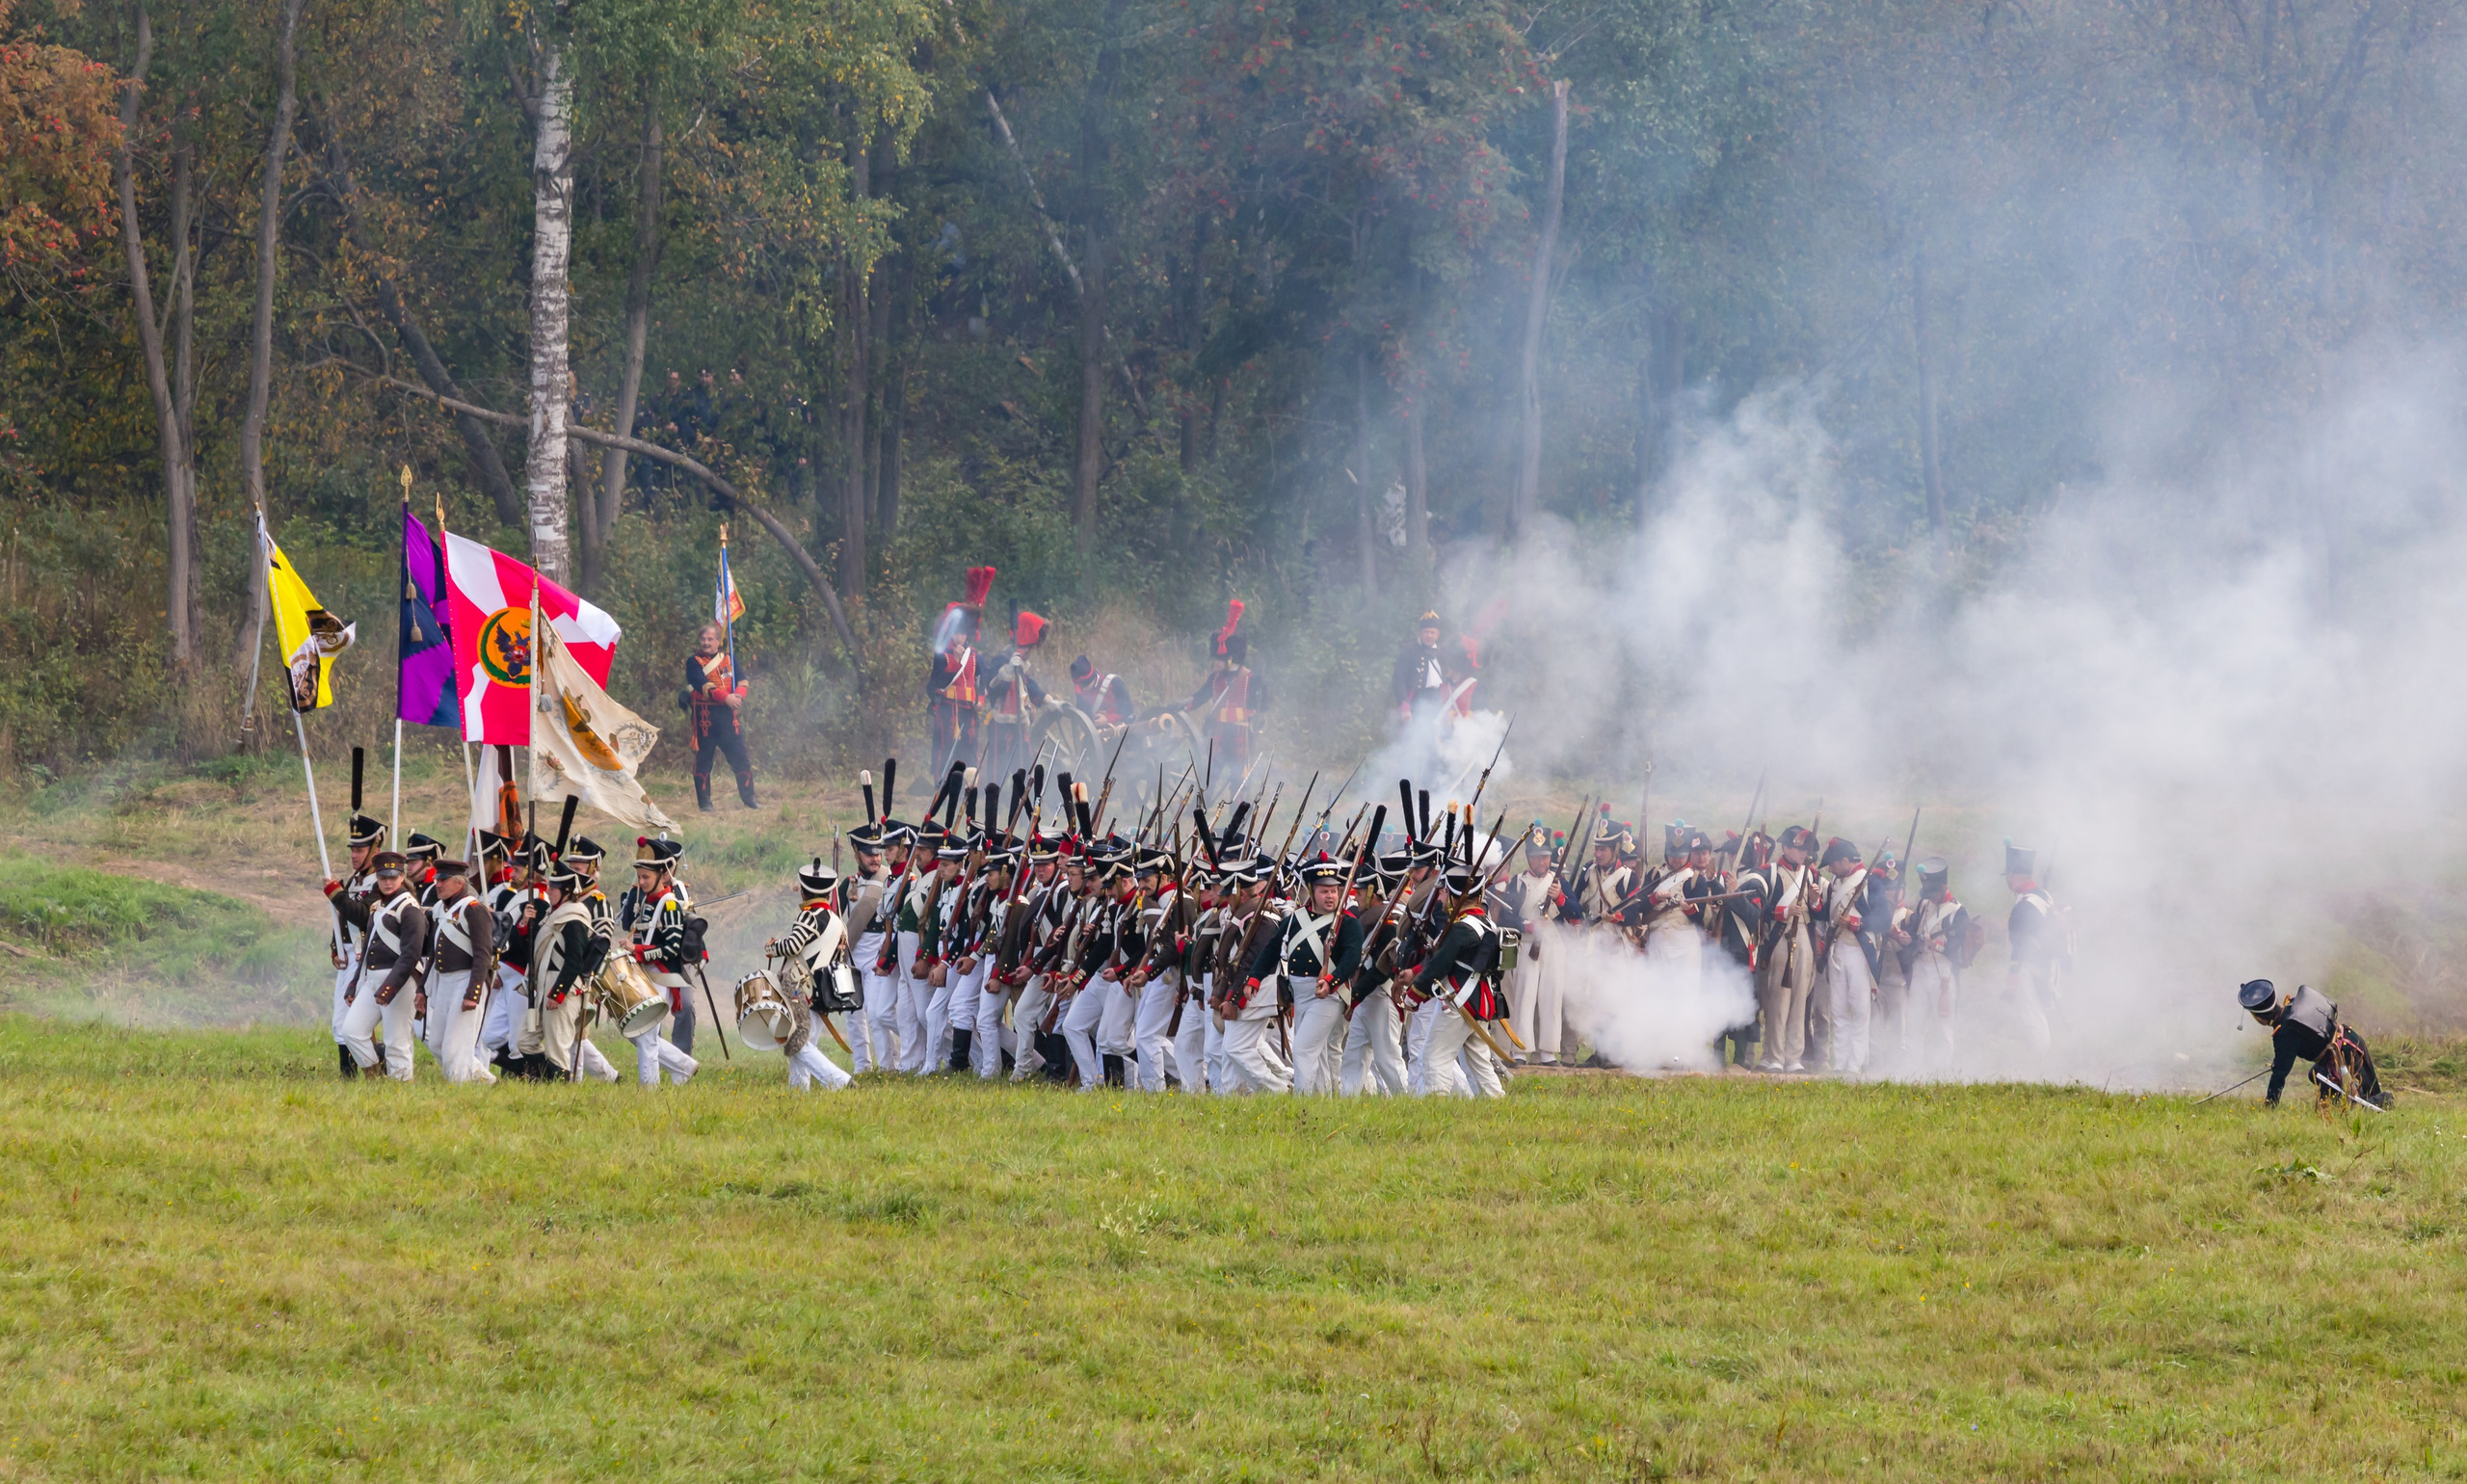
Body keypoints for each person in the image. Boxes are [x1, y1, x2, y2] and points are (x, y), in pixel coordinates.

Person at [1242, 853, 1362, 1094]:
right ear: (1311, 890)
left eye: (1334, 890)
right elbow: (1271, 950)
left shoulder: (1347, 923)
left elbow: (1352, 958)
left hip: (1327, 996)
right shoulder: (1296, 919)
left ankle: (1302, 1103)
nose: (1331, 896)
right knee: (1317, 1054)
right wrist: (1254, 977)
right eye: (1324, 891)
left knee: (1303, 1049)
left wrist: (1332, 981)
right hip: (1299, 993)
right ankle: (1323, 1102)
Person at [1409, 854, 1511, 1100]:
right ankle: (1496, 1101)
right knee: (1479, 1061)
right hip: (1479, 1003)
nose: (1441, 897)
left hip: (1459, 1003)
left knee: (1433, 1057)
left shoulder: (1462, 928)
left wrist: (1415, 994)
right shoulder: (1485, 922)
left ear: (1457, 897)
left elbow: (1438, 966)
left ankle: (1436, 1105)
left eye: (1445, 892)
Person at [763, 858, 857, 1091]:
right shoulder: (837, 921)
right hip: (821, 992)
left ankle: (839, 1081)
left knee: (797, 1043)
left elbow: (793, 946)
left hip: (800, 988)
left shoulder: (809, 916)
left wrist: (773, 947)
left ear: (804, 891)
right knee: (804, 1044)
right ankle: (798, 1091)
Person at [332, 850, 426, 1080]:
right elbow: (366, 953)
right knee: (352, 1031)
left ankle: (402, 1094)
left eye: (392, 877)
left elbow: (411, 954)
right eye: (383, 877)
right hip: (372, 979)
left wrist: (389, 987)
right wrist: (354, 984)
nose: (388, 882)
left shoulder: (410, 908)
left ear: (401, 877)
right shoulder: (377, 907)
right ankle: (375, 1078)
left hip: (400, 981)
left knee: (397, 1042)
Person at [623, 837, 702, 1086]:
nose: (641, 882)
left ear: (661, 874)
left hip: (663, 975)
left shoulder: (669, 904)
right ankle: (683, 1065)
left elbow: (671, 949)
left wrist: (638, 951)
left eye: (646, 877)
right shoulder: (645, 899)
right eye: (639, 876)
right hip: (646, 973)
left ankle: (650, 1090)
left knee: (645, 1034)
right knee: (638, 1031)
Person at [2237, 980, 2388, 1108]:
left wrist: (2270, 1105)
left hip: (2346, 1051)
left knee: (2374, 1101)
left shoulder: (2284, 1033)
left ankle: (2380, 1101)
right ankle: (2342, 1107)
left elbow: (2280, 1074)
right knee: (2316, 1075)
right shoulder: (2291, 1005)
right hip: (2349, 1038)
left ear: (2259, 1017)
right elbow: (2282, 1062)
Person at [419, 859, 497, 1083]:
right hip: (444, 981)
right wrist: (422, 989)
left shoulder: (474, 910)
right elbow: (432, 954)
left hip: (466, 981)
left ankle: (460, 1093)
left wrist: (473, 993)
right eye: (437, 880)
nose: (438, 885)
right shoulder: (439, 910)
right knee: (436, 1043)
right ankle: (486, 1082)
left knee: (455, 1047)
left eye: (443, 880)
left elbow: (483, 954)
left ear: (459, 883)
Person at [324, 812, 387, 1077]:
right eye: (353, 849)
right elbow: (343, 919)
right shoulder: (355, 880)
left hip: (366, 956)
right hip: (350, 955)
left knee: (344, 1022)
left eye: (360, 849)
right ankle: (376, 1064)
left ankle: (351, 1075)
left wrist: (336, 894)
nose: (354, 854)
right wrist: (335, 945)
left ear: (375, 848)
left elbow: (363, 917)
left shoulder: (382, 883)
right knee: (346, 1021)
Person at [1895, 857, 1973, 1068]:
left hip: (1943, 973)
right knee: (1914, 1023)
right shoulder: (1923, 905)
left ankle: (1942, 1071)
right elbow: (1915, 932)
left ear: (1944, 887)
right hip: (1921, 969)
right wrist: (1907, 938)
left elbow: (1955, 947)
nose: (1931, 897)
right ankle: (1911, 1068)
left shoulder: (1958, 912)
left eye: (1933, 892)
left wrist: (1936, 944)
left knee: (1943, 1026)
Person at [836, 817, 900, 1073]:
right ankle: (862, 1066)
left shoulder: (890, 880)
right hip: (852, 956)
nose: (876, 859)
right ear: (857, 854)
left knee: (875, 1014)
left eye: (878, 853)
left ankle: (888, 1065)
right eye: (869, 854)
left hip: (877, 954)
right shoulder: (848, 884)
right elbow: (832, 918)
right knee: (854, 1015)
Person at [1496, 825, 1564, 1064]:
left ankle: (1548, 1051)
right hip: (1527, 944)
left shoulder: (1558, 881)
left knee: (1551, 997)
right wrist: (1525, 926)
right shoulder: (1517, 882)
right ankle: (1519, 1050)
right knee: (1524, 997)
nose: (1542, 862)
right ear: (1529, 859)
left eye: (1545, 857)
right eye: (1537, 858)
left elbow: (1576, 914)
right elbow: (1506, 916)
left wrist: (1561, 898)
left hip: (1552, 946)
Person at [1755, 826, 1820, 1073]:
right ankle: (1774, 1056)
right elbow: (1760, 907)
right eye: (1800, 849)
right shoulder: (1769, 873)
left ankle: (1794, 1058)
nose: (1804, 854)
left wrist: (1814, 899)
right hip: (1780, 936)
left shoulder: (1810, 874)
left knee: (1799, 1000)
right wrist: (1783, 912)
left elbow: (1820, 912)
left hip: (1804, 937)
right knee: (1778, 1002)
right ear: (1787, 848)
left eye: (1806, 849)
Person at [1815, 837, 1881, 1074]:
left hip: (1858, 950)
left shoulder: (1869, 882)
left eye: (1832, 863)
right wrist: (1815, 902)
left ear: (1844, 860)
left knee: (1860, 1010)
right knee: (1838, 1010)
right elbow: (1825, 914)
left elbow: (1883, 917)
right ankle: (1840, 1063)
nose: (1830, 869)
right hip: (1837, 949)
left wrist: (1855, 922)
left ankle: (1855, 1065)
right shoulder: (1834, 883)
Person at [684, 622, 756, 810]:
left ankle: (749, 800)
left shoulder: (730, 658)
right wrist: (727, 699)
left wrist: (738, 696)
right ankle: (705, 804)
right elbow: (704, 686)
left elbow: (743, 680)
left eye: (710, 639)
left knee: (740, 757)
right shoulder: (693, 662)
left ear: (718, 641)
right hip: (705, 720)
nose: (706, 643)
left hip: (728, 720)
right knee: (704, 760)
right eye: (703, 639)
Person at [928, 567, 994, 774]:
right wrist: (955, 661)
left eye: (963, 634)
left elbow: (984, 681)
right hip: (946, 710)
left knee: (969, 749)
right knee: (944, 749)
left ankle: (969, 784)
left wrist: (981, 700)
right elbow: (935, 684)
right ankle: (941, 783)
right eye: (956, 634)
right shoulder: (942, 656)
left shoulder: (975, 656)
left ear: (968, 635)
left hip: (968, 711)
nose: (959, 638)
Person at [1183, 601, 1261, 772]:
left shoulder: (1251, 678)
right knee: (1210, 775)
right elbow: (1200, 697)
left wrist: (1257, 719)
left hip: (1241, 733)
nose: (1216, 663)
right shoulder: (1215, 678)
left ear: (1230, 658)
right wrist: (1185, 704)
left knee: (1240, 778)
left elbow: (1260, 706)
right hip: (1219, 731)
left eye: (1220, 659)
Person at [2003, 842, 2067, 1050]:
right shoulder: (2043, 896)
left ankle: (2039, 1070)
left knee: (2033, 1020)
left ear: (2013, 875)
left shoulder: (2024, 905)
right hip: (2046, 965)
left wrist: (2013, 974)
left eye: (2008, 874)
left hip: (2030, 966)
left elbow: (2020, 944)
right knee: (2037, 1018)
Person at [981, 611, 1049, 782]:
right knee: (998, 766)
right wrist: (1009, 670)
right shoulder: (1001, 660)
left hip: (1019, 723)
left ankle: (1026, 796)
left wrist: (1046, 700)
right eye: (1029, 647)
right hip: (1000, 722)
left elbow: (1028, 684)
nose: (1030, 652)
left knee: (1026, 763)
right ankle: (995, 797)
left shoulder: (1021, 663)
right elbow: (992, 687)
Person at [1391, 611, 1456, 722]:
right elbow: (1398, 680)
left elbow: (1449, 679)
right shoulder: (1409, 651)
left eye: (1432, 632)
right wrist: (1405, 707)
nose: (1429, 635)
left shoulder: (1443, 652)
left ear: (1438, 634)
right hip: (1417, 701)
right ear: (1420, 633)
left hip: (1439, 701)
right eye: (1426, 632)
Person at [1068, 654, 1135, 726]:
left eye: (1085, 686)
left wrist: (1107, 719)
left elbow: (1128, 709)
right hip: (1096, 732)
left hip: (1120, 727)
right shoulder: (1080, 689)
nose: (1083, 689)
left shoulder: (1114, 682)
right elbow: (1083, 715)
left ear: (1091, 679)